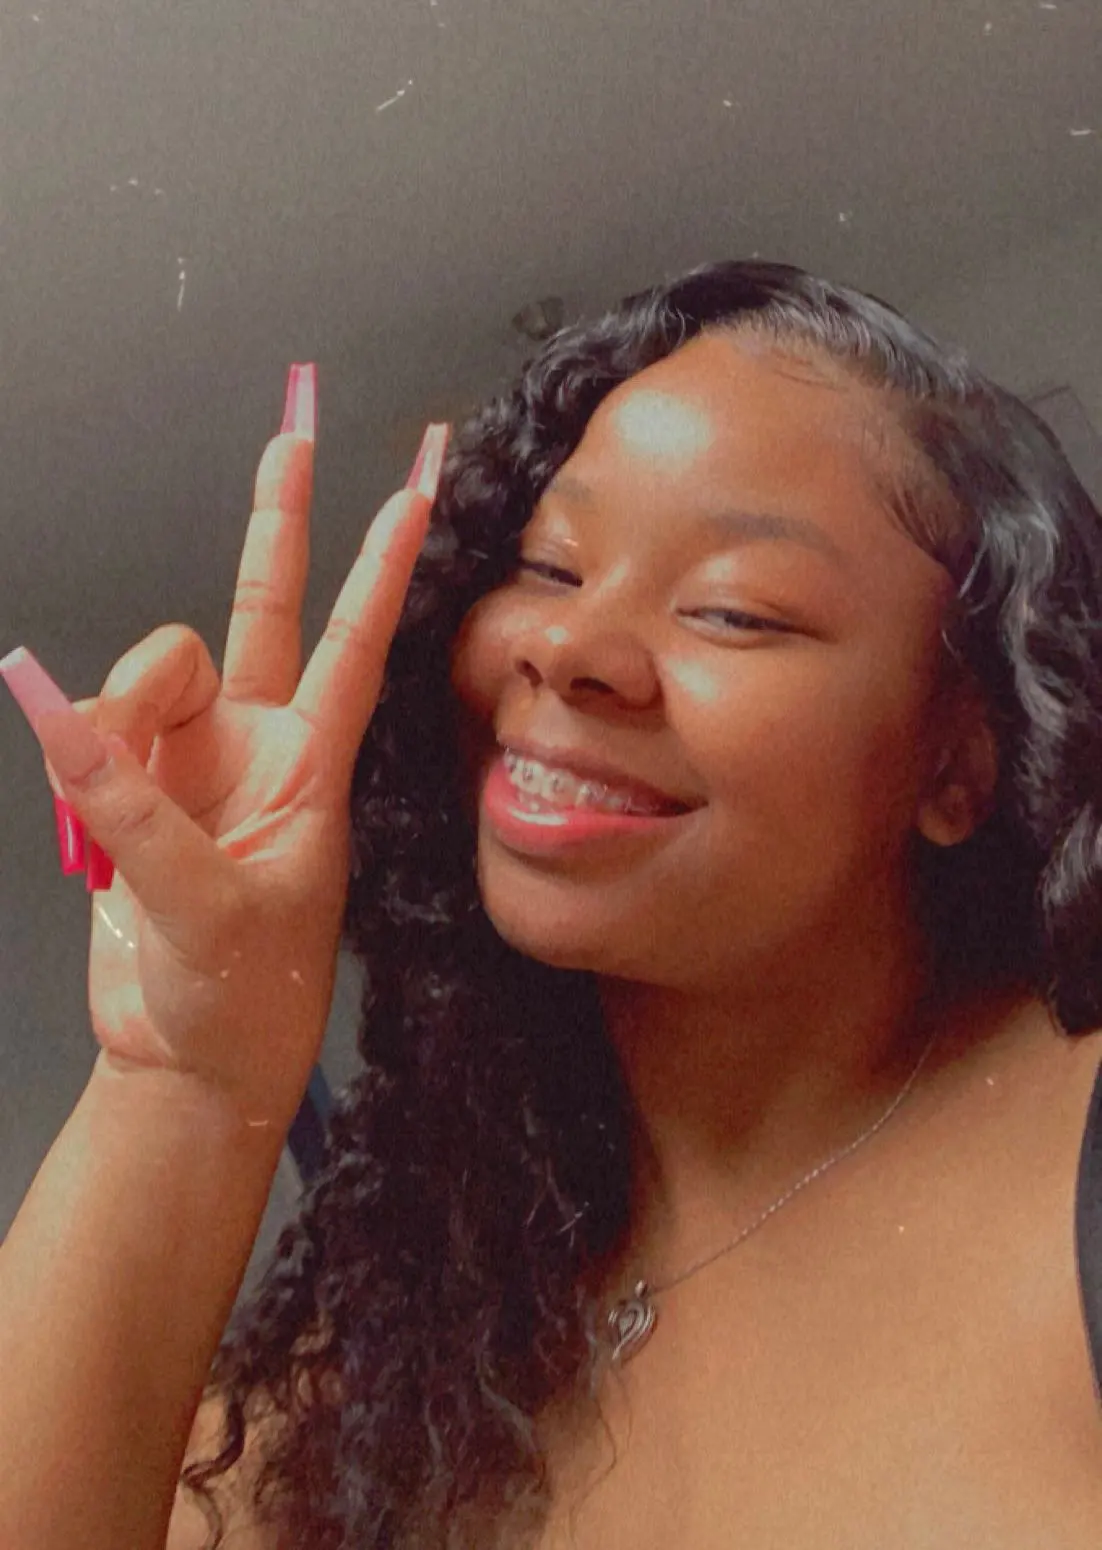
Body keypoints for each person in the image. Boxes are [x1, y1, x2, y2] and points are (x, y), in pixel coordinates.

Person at [2, 259, 1102, 1550]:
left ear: (960, 762)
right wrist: (181, 1078)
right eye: (549, 568)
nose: (565, 647)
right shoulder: (410, 1344)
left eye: (733, 610)